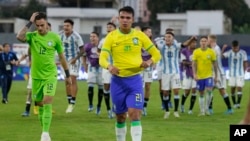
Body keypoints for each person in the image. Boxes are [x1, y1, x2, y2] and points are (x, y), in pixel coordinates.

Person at [99, 6, 161, 141]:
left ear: (132, 20)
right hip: (117, 82)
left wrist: (149, 62)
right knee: (120, 117)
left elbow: (156, 54)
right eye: (122, 17)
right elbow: (102, 58)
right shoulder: (111, 37)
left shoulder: (140, 36)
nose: (125, 20)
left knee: (135, 114)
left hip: (135, 82)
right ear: (118, 19)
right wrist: (109, 66)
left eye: (128, 18)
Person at [16, 12, 71, 141]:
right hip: (36, 76)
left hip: (50, 75)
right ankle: (44, 132)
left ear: (46, 23)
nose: (40, 28)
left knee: (47, 101)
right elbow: (19, 36)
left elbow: (62, 57)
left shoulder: (55, 38)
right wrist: (29, 22)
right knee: (39, 104)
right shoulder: (32, 36)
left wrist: (67, 74)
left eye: (42, 25)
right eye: (37, 26)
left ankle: (45, 133)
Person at [158, 32, 195, 119]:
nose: (167, 38)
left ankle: (175, 111)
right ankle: (167, 111)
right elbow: (152, 46)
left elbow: (184, 44)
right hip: (165, 73)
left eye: (169, 37)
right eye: (166, 37)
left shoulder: (176, 46)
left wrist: (191, 39)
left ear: (173, 38)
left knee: (176, 91)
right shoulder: (161, 46)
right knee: (165, 92)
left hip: (175, 73)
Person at [59, 19, 84, 113]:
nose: (65, 27)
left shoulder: (76, 36)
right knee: (66, 82)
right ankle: (69, 101)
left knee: (72, 79)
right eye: (64, 25)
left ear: (72, 27)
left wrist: (76, 58)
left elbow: (82, 50)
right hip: (64, 61)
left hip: (74, 61)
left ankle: (72, 102)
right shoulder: (59, 35)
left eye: (67, 26)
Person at [207, 34, 233, 114]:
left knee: (222, 91)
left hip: (218, 73)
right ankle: (210, 109)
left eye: (208, 39)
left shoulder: (216, 49)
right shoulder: (213, 48)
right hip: (212, 73)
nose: (207, 41)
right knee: (209, 90)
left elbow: (213, 61)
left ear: (211, 40)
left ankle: (229, 109)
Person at [192, 36, 217, 116]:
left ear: (207, 42)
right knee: (201, 93)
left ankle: (207, 109)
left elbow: (215, 64)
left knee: (209, 90)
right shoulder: (196, 52)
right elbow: (194, 64)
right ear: (200, 43)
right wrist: (195, 74)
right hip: (200, 76)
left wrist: (216, 75)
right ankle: (202, 111)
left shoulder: (211, 52)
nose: (203, 42)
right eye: (202, 41)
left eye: (205, 41)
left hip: (209, 75)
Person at [97, 22, 116, 118]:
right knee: (106, 87)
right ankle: (108, 109)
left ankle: (115, 108)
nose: (108, 28)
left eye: (110, 27)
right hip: (106, 67)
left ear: (114, 29)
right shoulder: (103, 41)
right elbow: (98, 50)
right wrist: (101, 57)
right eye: (107, 27)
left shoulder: (118, 39)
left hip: (117, 67)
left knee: (116, 88)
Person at [222, 40, 248, 109]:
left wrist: (244, 70)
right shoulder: (229, 53)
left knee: (239, 87)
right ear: (232, 47)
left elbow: (245, 62)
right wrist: (223, 49)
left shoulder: (243, 53)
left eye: (236, 48)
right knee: (233, 88)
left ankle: (238, 103)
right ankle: (234, 103)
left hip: (240, 73)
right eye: (234, 48)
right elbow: (221, 57)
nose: (235, 49)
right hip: (232, 74)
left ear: (238, 46)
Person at [83, 31, 103, 114]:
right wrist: (85, 66)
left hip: (101, 68)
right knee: (90, 85)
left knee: (101, 88)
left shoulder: (102, 46)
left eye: (94, 36)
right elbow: (83, 56)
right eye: (91, 36)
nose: (92, 38)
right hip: (92, 67)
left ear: (98, 38)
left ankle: (99, 106)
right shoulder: (87, 46)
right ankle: (90, 104)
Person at [180, 37, 197, 114]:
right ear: (189, 43)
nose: (194, 44)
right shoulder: (184, 51)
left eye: (195, 42)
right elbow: (183, 62)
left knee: (194, 91)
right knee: (187, 92)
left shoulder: (197, 51)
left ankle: (190, 109)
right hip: (187, 73)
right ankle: (182, 104)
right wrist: (192, 64)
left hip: (196, 74)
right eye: (193, 42)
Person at [141, 26, 153, 116]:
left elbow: (155, 55)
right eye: (148, 31)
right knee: (139, 87)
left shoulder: (152, 44)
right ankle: (138, 106)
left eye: (150, 32)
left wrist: (152, 63)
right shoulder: (138, 42)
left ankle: (144, 106)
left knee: (148, 86)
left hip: (148, 68)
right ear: (144, 32)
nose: (150, 33)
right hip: (139, 68)